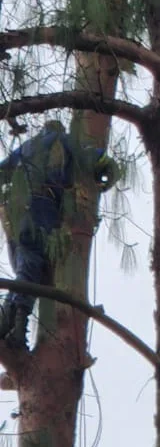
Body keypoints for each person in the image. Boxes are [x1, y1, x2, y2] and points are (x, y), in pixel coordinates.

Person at [0, 119, 118, 348]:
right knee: (34, 263)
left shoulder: (25, 148)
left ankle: (6, 321)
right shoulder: (62, 141)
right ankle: (17, 328)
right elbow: (94, 158)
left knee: (25, 266)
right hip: (42, 205)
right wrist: (109, 170)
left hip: (16, 211)